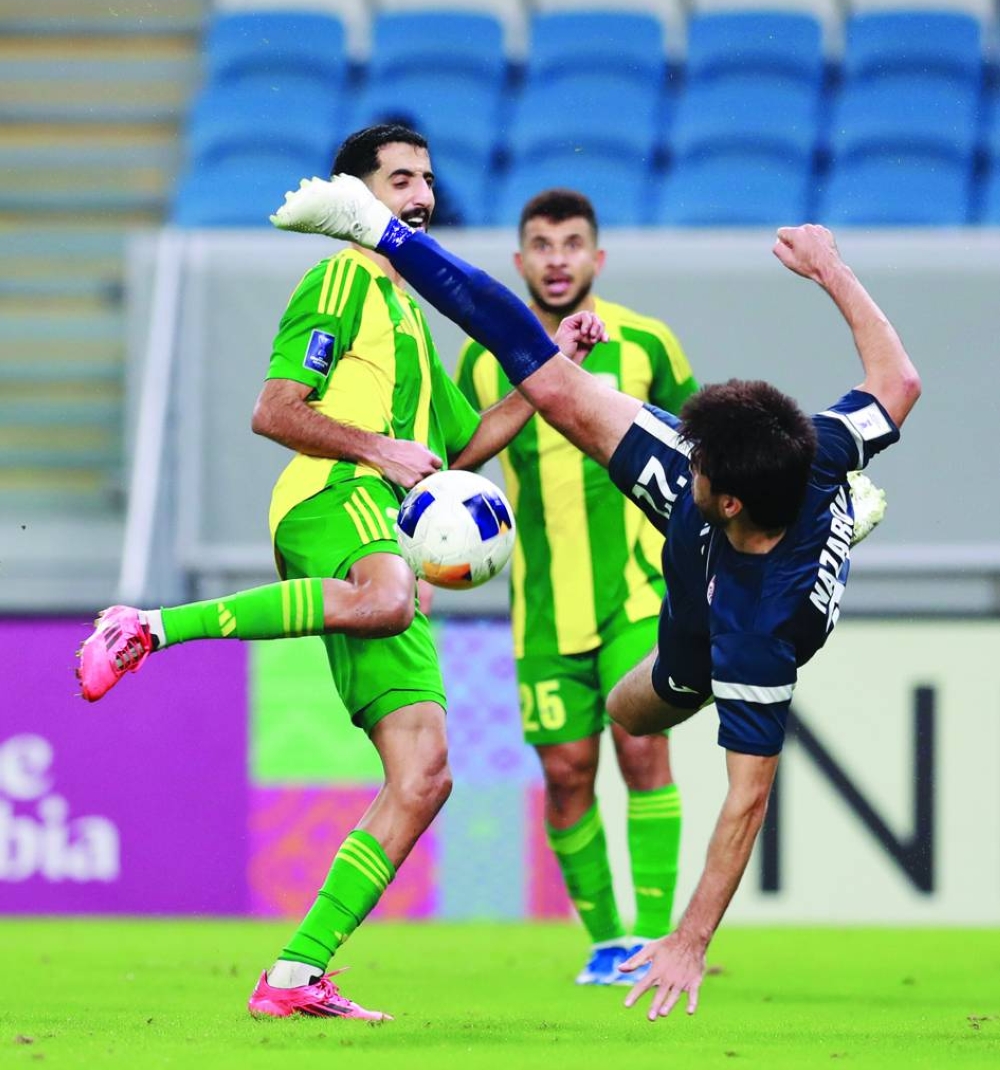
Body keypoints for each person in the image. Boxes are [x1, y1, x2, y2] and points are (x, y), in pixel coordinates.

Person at [268, 174, 921, 1020]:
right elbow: (899, 378)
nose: (687, 462)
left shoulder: (762, 633)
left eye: (700, 467)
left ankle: (837, 533)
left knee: (644, 715)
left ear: (722, 498)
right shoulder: (815, 444)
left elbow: (747, 797)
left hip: (719, 627)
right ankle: (373, 226)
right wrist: (831, 267)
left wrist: (689, 939)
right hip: (732, 538)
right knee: (546, 388)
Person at [76, 124, 603, 1022]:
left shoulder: (412, 318)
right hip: (331, 495)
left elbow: (458, 448)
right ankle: (149, 625)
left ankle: (295, 972)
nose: (420, 196)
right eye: (399, 180)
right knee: (390, 596)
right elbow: (273, 410)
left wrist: (555, 373)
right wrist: (376, 449)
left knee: (425, 771)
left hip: (381, 528)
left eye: (426, 181)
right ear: (358, 196)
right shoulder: (338, 280)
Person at [455, 189, 697, 986]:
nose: (557, 257)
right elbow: (461, 464)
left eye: (571, 243)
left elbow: (699, 445)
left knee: (641, 743)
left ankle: (658, 938)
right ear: (519, 261)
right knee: (564, 773)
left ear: (597, 258)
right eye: (540, 244)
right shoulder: (481, 352)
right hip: (543, 610)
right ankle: (607, 941)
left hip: (637, 592)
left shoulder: (649, 342)